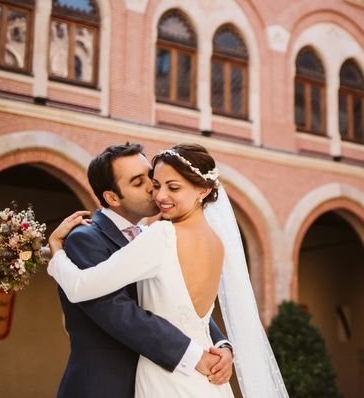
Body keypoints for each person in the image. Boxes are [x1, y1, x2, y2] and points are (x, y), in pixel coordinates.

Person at [48, 144, 288, 397]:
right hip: (108, 384)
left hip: (172, 377)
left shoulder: (158, 234)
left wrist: (221, 345)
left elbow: (188, 307)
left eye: (162, 183)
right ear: (112, 197)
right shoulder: (86, 238)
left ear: (203, 191)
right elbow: (117, 311)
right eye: (143, 182)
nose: (156, 191)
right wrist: (197, 355)